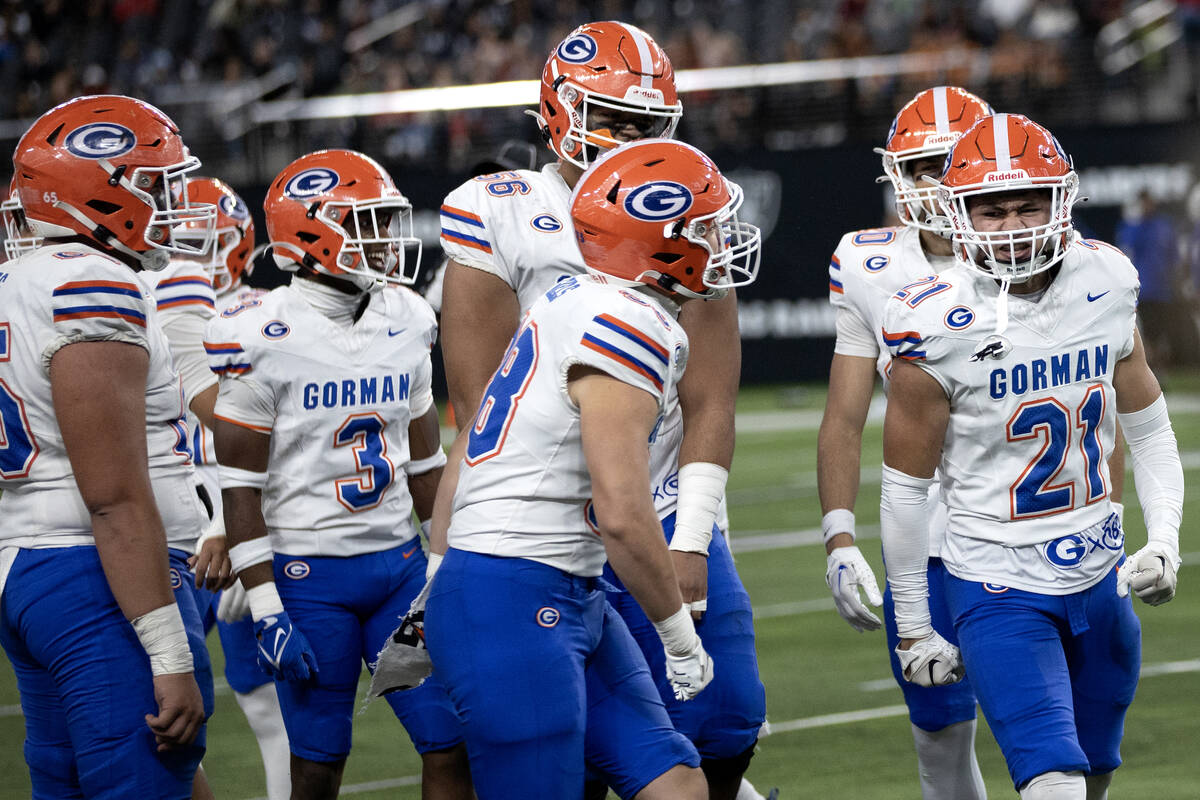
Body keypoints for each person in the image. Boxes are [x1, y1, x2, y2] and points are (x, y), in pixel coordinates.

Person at [436, 21, 768, 800]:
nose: (627, 138)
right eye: (611, 118)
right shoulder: (505, 212)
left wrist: (692, 534)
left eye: (647, 125)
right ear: (557, 111)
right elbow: (480, 415)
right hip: (547, 532)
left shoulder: (681, 206)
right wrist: (446, 557)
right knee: (559, 756)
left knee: (721, 722)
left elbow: (712, 397)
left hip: (646, 510)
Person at [879, 113, 1184, 800]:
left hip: (1101, 575)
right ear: (959, 215)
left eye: (1028, 205)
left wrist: (1164, 537)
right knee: (1053, 782)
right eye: (992, 211)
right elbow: (903, 490)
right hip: (997, 584)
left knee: (1097, 773)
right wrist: (913, 625)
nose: (1013, 225)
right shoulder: (931, 321)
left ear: (1062, 201)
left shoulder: (1106, 278)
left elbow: (1149, 428)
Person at [208, 148, 471, 800]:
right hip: (309, 581)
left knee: (448, 736)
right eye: (370, 223)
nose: (386, 239)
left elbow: (426, 464)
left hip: (398, 580)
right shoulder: (259, 332)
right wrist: (266, 608)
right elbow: (240, 488)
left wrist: (451, 564)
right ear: (314, 234)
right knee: (320, 764)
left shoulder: (406, 317)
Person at [0, 94, 214, 797]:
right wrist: (167, 648)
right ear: (101, 187)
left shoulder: (18, 280)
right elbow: (115, 499)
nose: (170, 199)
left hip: (30, 565)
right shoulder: (88, 282)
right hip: (93, 579)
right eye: (152, 181)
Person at [818, 85, 993, 800]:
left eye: (950, 162)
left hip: (1027, 523)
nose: (937, 182)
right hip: (923, 533)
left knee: (1059, 731)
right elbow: (843, 415)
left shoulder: (1039, 253)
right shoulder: (866, 262)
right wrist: (839, 536)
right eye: (921, 167)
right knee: (940, 735)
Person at [138, 175, 292, 800]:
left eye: (201, 239)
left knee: (264, 701)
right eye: (176, 237)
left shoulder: (263, 315)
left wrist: (249, 532)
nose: (188, 253)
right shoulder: (134, 305)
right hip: (165, 526)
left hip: (231, 527)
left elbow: (288, 437)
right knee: (150, 713)